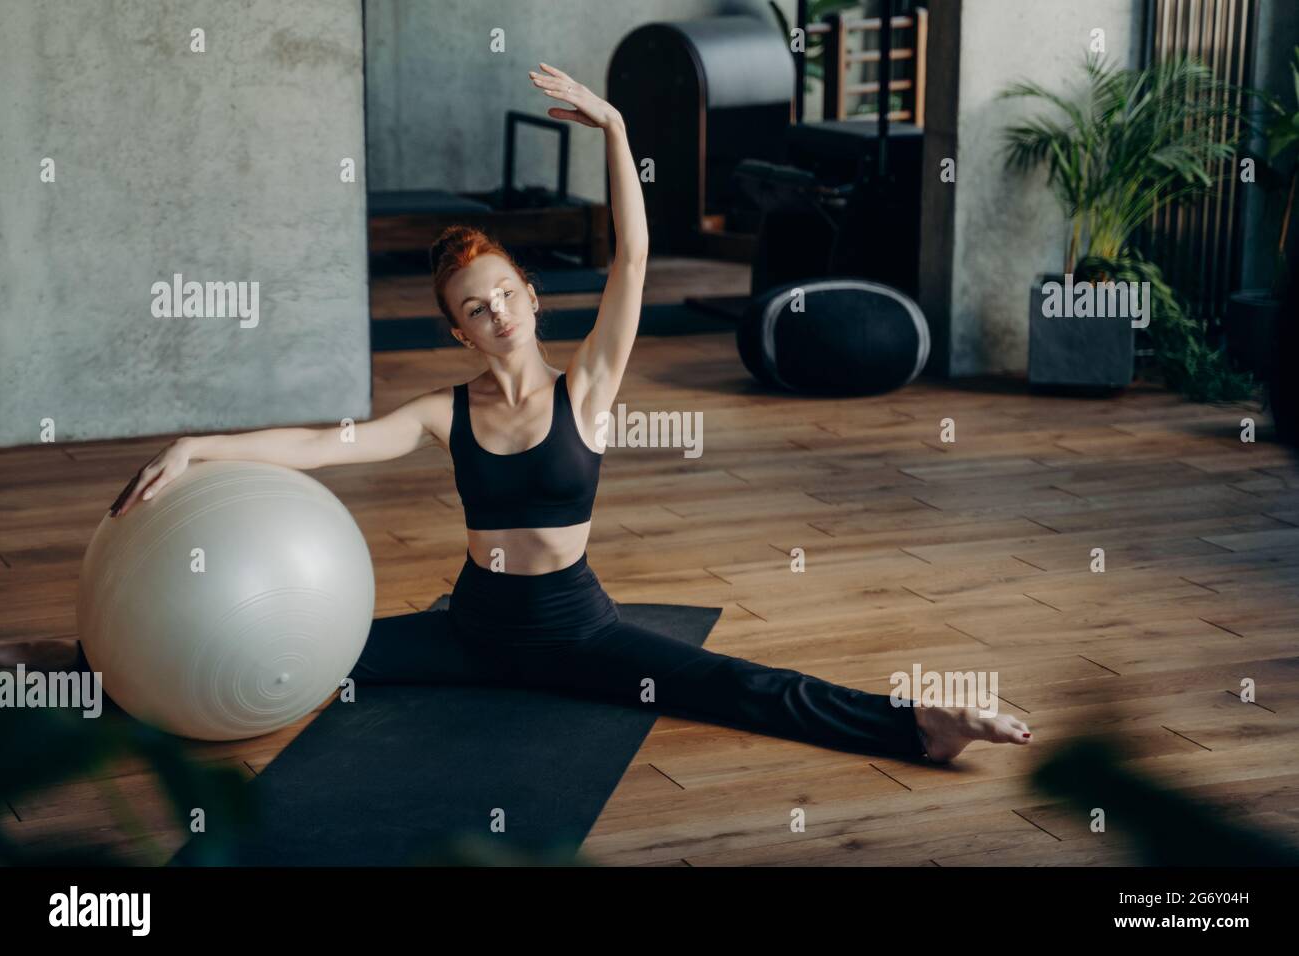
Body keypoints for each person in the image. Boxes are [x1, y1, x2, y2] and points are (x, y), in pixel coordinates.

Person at [79, 64, 1031, 763]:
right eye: (471, 309)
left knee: (738, 687)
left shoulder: (591, 388)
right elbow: (325, 445)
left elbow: (635, 259)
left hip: (579, 628)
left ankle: (919, 725)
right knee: (268, 644)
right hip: (470, 629)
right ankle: (79, 664)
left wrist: (615, 127)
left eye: (501, 295)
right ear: (459, 332)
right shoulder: (441, 414)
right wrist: (197, 446)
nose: (492, 314)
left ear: (531, 296)